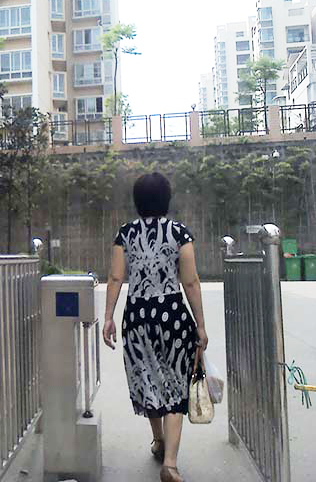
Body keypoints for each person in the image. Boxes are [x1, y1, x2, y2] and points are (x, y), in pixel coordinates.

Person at [102, 172, 209, 482]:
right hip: (172, 315)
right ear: (166, 199)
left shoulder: (125, 234)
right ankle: (170, 464)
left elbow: (115, 277)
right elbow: (190, 281)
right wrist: (201, 325)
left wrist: (108, 317)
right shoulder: (180, 233)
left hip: (137, 317)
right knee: (175, 383)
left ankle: (159, 440)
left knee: (147, 377)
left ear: (137, 201)